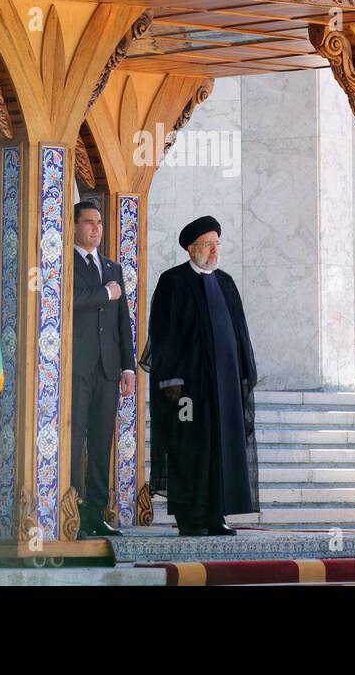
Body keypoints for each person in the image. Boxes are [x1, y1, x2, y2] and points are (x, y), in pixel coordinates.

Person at [146, 215, 258, 537]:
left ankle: (215, 513)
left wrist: (244, 376)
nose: (214, 251)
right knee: (189, 446)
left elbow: (240, 332)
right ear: (192, 249)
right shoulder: (174, 281)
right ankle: (189, 516)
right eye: (208, 245)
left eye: (216, 244)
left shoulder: (225, 282)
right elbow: (163, 334)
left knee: (220, 448)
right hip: (187, 389)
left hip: (223, 386)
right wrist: (171, 380)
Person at [69, 200, 135, 538]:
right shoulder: (65, 262)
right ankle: (73, 512)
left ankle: (96, 513)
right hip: (76, 368)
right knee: (74, 439)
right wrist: (103, 294)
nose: (96, 228)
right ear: (75, 225)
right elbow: (68, 298)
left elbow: (123, 322)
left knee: (100, 441)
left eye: (99, 222)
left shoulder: (113, 267)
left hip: (108, 370)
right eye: (89, 222)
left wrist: (128, 367)